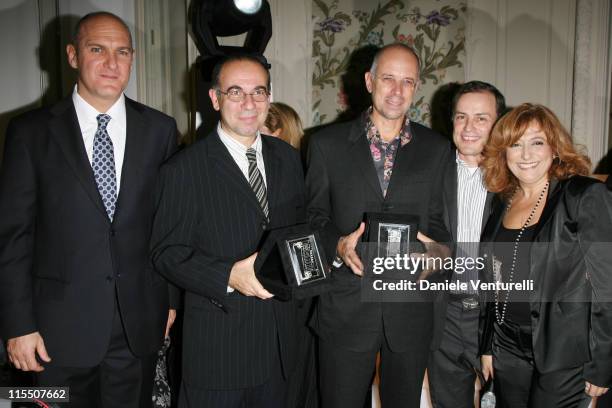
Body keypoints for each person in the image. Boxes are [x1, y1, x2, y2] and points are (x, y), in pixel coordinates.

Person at [0, 11, 178, 407]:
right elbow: (12, 237)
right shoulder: (29, 133)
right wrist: (17, 326)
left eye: (123, 52)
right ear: (72, 55)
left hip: (138, 329)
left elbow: (168, 226)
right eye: (97, 49)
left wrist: (169, 302)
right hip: (50, 336)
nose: (112, 63)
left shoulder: (161, 131)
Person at [150, 54, 306, 408]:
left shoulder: (289, 159)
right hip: (219, 354)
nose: (249, 103)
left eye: (259, 92)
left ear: (269, 96)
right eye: (235, 92)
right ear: (215, 99)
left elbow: (299, 230)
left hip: (281, 348)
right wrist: (228, 275)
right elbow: (166, 252)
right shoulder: (183, 169)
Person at [306, 43, 451, 408]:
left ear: (416, 87)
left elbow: (439, 225)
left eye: (407, 82)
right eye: (388, 79)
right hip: (346, 307)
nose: (397, 91)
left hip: (410, 309)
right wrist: (337, 245)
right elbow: (312, 218)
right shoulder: (326, 145)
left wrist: (437, 252)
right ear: (370, 80)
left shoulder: (437, 149)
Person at [479, 103, 612, 407]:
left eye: (536, 142)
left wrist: (603, 362)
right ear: (504, 152)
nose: (526, 155)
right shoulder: (502, 201)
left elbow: (608, 285)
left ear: (554, 147)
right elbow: (492, 280)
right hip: (507, 345)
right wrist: (488, 344)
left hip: (564, 351)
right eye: (515, 144)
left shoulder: (583, 195)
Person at [428, 81, 506, 407]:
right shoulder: (430, 170)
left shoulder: (516, 178)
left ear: (499, 124)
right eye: (461, 117)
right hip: (443, 315)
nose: (469, 127)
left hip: (497, 318)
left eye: (481, 118)